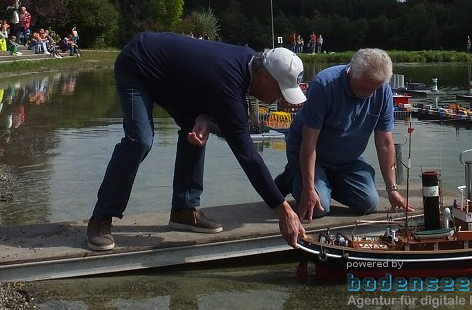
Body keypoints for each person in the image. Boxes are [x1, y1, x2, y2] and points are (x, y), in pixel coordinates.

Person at [86, 31, 309, 253]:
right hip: (137, 63)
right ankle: (101, 217)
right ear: (265, 77)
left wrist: (206, 116)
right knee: (140, 140)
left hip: (170, 75)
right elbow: (248, 156)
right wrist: (284, 211)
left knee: (194, 131)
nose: (281, 97)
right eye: (280, 90)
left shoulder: (250, 61)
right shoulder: (230, 86)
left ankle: (184, 210)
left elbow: (206, 82)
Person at [281, 48, 412, 221]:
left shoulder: (383, 91)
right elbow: (309, 140)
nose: (369, 94)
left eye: (375, 89)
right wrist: (308, 189)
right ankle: (293, 177)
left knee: (369, 204)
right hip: (312, 152)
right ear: (351, 73)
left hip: (346, 159)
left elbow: (385, 143)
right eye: (364, 88)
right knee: (320, 209)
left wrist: (392, 189)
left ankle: (325, 183)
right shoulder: (324, 84)